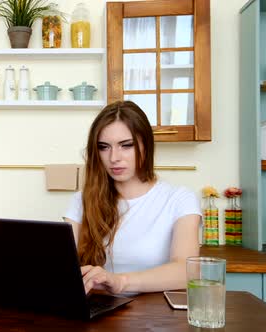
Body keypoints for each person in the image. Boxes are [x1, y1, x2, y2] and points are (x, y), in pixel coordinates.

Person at [63, 100, 201, 295]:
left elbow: (187, 271)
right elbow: (63, 265)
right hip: (99, 314)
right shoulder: (81, 200)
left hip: (154, 318)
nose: (113, 158)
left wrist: (120, 282)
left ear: (146, 145)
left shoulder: (180, 199)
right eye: (104, 147)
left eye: (126, 145)